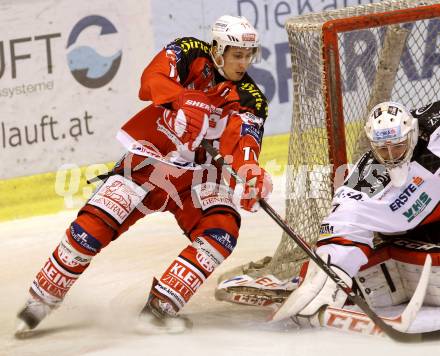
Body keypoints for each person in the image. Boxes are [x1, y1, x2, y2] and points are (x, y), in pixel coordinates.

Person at [16, 15, 272, 336]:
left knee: (221, 231)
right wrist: (181, 97)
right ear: (218, 50)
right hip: (149, 162)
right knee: (92, 229)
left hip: (197, 179)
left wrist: (251, 173)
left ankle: (159, 308)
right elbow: (149, 80)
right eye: (237, 54)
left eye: (249, 55)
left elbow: (244, 140)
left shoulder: (250, 96)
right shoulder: (188, 51)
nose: (244, 62)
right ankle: (39, 300)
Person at [272, 100, 440, 324]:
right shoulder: (369, 174)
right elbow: (344, 219)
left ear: (412, 134)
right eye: (382, 149)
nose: (391, 155)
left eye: (397, 146)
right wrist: (335, 267)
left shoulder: (435, 127)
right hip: (420, 229)